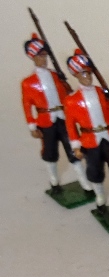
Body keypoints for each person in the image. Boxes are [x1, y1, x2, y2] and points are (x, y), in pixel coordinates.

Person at [21, 34, 87, 192]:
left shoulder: (56, 76)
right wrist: (32, 125)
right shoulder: (28, 82)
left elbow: (66, 95)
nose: (43, 59)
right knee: (50, 152)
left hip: (62, 118)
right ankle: (54, 181)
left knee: (73, 150)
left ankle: (84, 182)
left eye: (45, 55)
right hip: (45, 121)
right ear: (33, 57)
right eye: (40, 56)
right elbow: (26, 105)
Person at [63, 50, 109, 211]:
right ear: (76, 76)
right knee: (95, 170)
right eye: (83, 74)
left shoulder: (102, 92)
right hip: (90, 139)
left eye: (88, 73)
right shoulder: (71, 100)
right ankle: (100, 196)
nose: (87, 77)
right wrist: (75, 145)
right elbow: (70, 125)